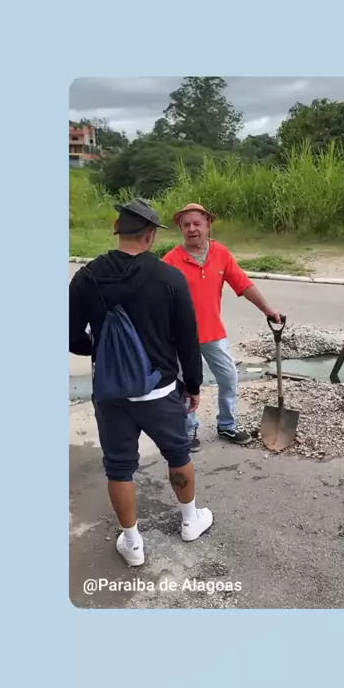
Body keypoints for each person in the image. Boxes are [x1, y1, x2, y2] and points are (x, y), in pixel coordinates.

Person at [69, 198, 213, 567]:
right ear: (150, 236)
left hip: (111, 394)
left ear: (117, 229)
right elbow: (188, 339)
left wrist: (101, 349)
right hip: (160, 391)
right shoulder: (169, 277)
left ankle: (132, 544)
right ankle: (190, 521)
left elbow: (70, 336)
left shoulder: (86, 277)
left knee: (119, 467)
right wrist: (193, 386)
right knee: (178, 454)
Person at [163, 203, 282, 451]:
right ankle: (188, 430)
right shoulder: (171, 260)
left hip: (213, 333)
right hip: (181, 338)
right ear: (181, 229)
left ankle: (227, 425)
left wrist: (267, 309)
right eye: (186, 225)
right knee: (185, 385)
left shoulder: (220, 253)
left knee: (229, 377)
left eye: (197, 223)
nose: (192, 229)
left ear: (208, 225)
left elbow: (243, 284)